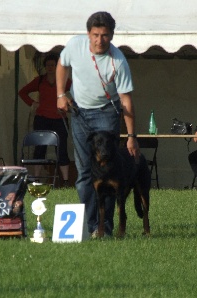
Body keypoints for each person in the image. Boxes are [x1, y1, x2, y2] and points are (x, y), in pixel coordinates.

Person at [56, 11, 140, 237]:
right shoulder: (75, 45)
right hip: (79, 113)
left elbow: (126, 100)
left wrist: (131, 137)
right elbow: (62, 65)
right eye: (95, 35)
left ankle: (106, 228)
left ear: (112, 35)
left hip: (106, 114)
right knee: (84, 173)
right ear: (88, 34)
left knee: (108, 172)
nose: (99, 40)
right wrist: (60, 94)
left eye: (104, 35)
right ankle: (91, 225)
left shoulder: (118, 61)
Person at [18, 54, 72, 187]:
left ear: (57, 66)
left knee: (62, 151)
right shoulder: (40, 80)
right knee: (40, 149)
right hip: (42, 119)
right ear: (45, 67)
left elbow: (76, 94)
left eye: (53, 65)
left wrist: (69, 105)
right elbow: (22, 92)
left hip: (60, 119)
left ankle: (65, 181)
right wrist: (32, 103)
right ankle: (37, 180)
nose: (50, 68)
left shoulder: (65, 80)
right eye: (48, 65)